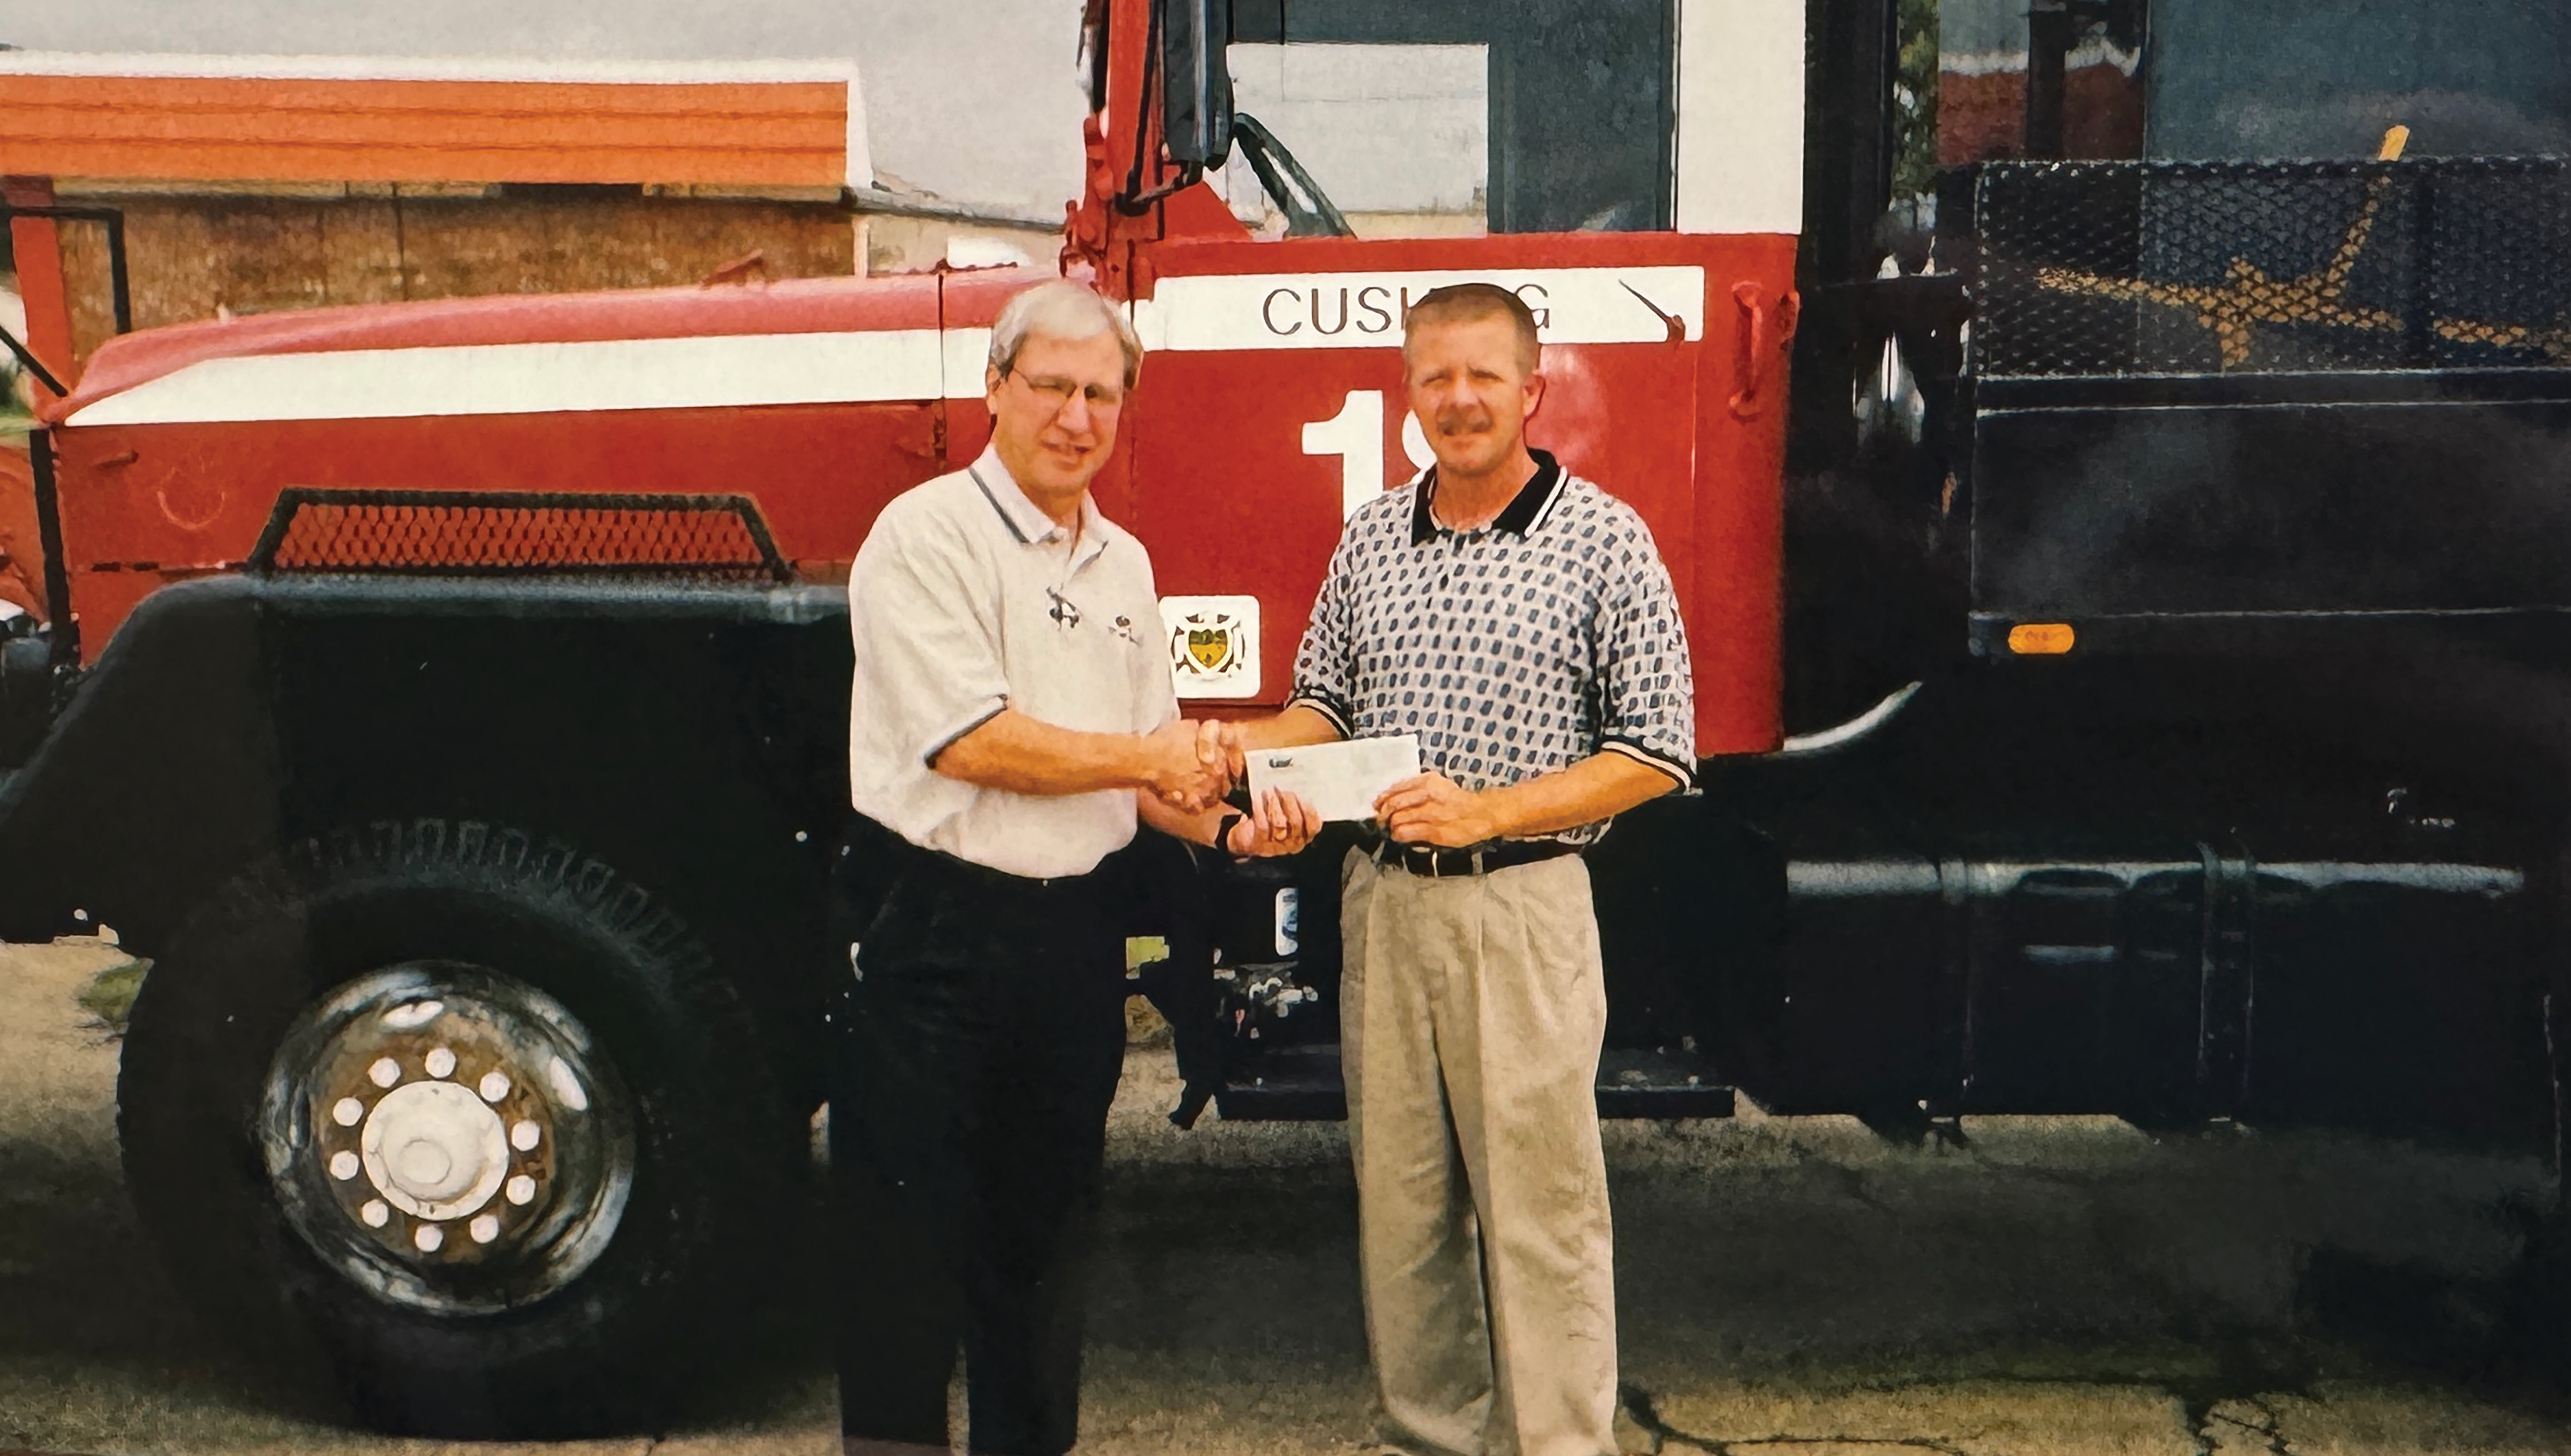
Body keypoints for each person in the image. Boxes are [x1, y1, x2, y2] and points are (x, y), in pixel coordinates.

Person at [833, 277, 1319, 1456]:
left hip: (1070, 945)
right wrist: (1158, 756)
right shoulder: (924, 535)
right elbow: (973, 740)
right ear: (994, 388)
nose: (1076, 415)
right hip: (937, 930)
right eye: (1050, 385)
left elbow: (1151, 785)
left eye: (1101, 392)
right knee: (904, 1255)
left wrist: (1238, 827)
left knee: (1043, 1254)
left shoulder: (1124, 565)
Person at [1219, 283, 1696, 1456]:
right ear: (1410, 396)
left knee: (1540, 1217)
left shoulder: (1604, 538)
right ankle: (1428, 1435)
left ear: (1533, 391)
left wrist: (1486, 811)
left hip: (1522, 905)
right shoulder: (1374, 534)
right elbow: (1322, 703)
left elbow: (1657, 754)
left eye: (1486, 375)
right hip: (1384, 908)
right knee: (1405, 1209)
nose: (1461, 398)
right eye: (1437, 377)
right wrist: (1243, 767)